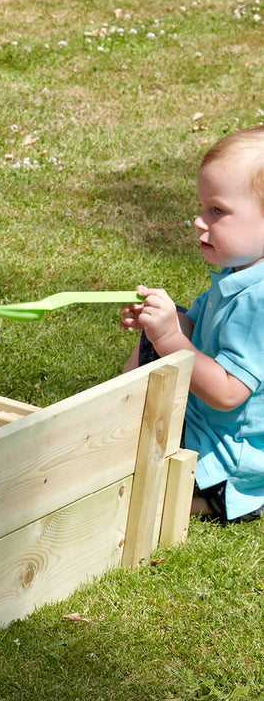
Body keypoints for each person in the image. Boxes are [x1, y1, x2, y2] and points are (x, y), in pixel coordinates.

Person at [120, 124, 264, 522]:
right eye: (202, 207)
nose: (199, 221)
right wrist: (161, 323)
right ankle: (118, 415)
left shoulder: (259, 302)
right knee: (158, 338)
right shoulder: (238, 271)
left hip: (225, 455)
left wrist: (169, 335)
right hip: (199, 419)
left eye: (217, 210)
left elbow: (230, 392)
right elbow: (193, 329)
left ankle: (213, 502)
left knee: (143, 487)